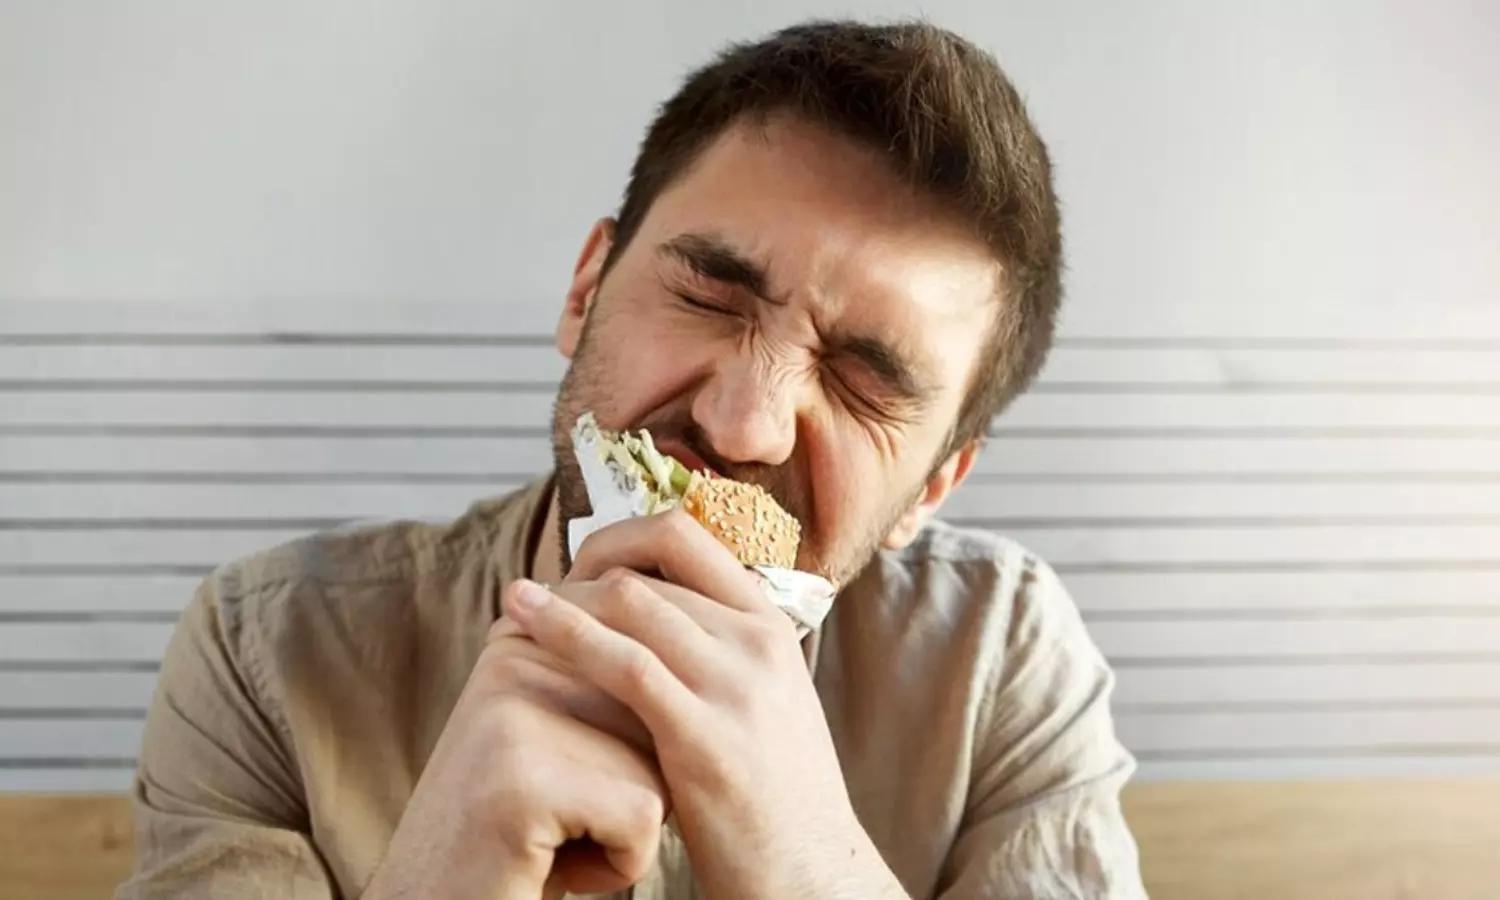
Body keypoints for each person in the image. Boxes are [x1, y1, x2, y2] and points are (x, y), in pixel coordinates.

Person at [117, 18, 1147, 900]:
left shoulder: (1000, 660)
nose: (744, 426)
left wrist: (807, 858)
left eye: (862, 384)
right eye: (708, 297)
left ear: (932, 486)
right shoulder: (267, 654)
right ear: (586, 293)